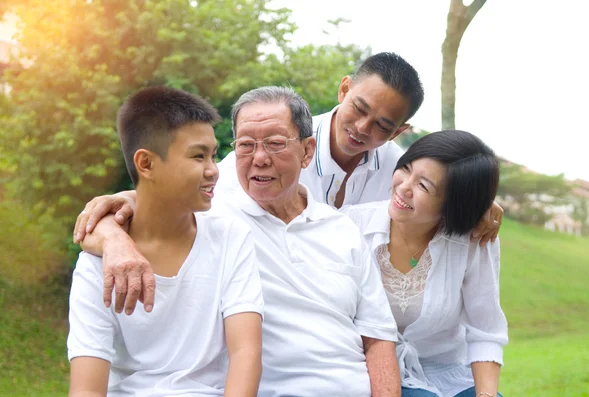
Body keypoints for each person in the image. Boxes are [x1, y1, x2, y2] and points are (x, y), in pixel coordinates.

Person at [75, 86, 401, 397]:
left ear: (307, 151)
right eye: (245, 145)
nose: (259, 158)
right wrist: (114, 238)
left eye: (274, 143)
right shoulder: (216, 217)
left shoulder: (343, 230)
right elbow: (149, 198)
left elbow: (378, 337)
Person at [74, 53, 504, 257]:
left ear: (402, 131)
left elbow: (445, 184)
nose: (362, 129)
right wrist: (126, 208)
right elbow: (202, 187)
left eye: (383, 126)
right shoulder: (279, 142)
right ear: (343, 90)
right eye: (359, 108)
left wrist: (483, 202)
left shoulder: (400, 171)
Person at [67, 86, 264, 397]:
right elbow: (87, 389)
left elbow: (246, 354)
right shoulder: (96, 263)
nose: (214, 171)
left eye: (214, 155)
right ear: (146, 164)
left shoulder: (230, 237)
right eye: (199, 156)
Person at [341, 130, 509, 397]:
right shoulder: (350, 225)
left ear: (453, 205)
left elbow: (485, 331)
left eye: (423, 186)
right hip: (366, 372)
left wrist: (486, 395)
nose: (404, 187)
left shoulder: (474, 240)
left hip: (447, 374)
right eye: (406, 169)